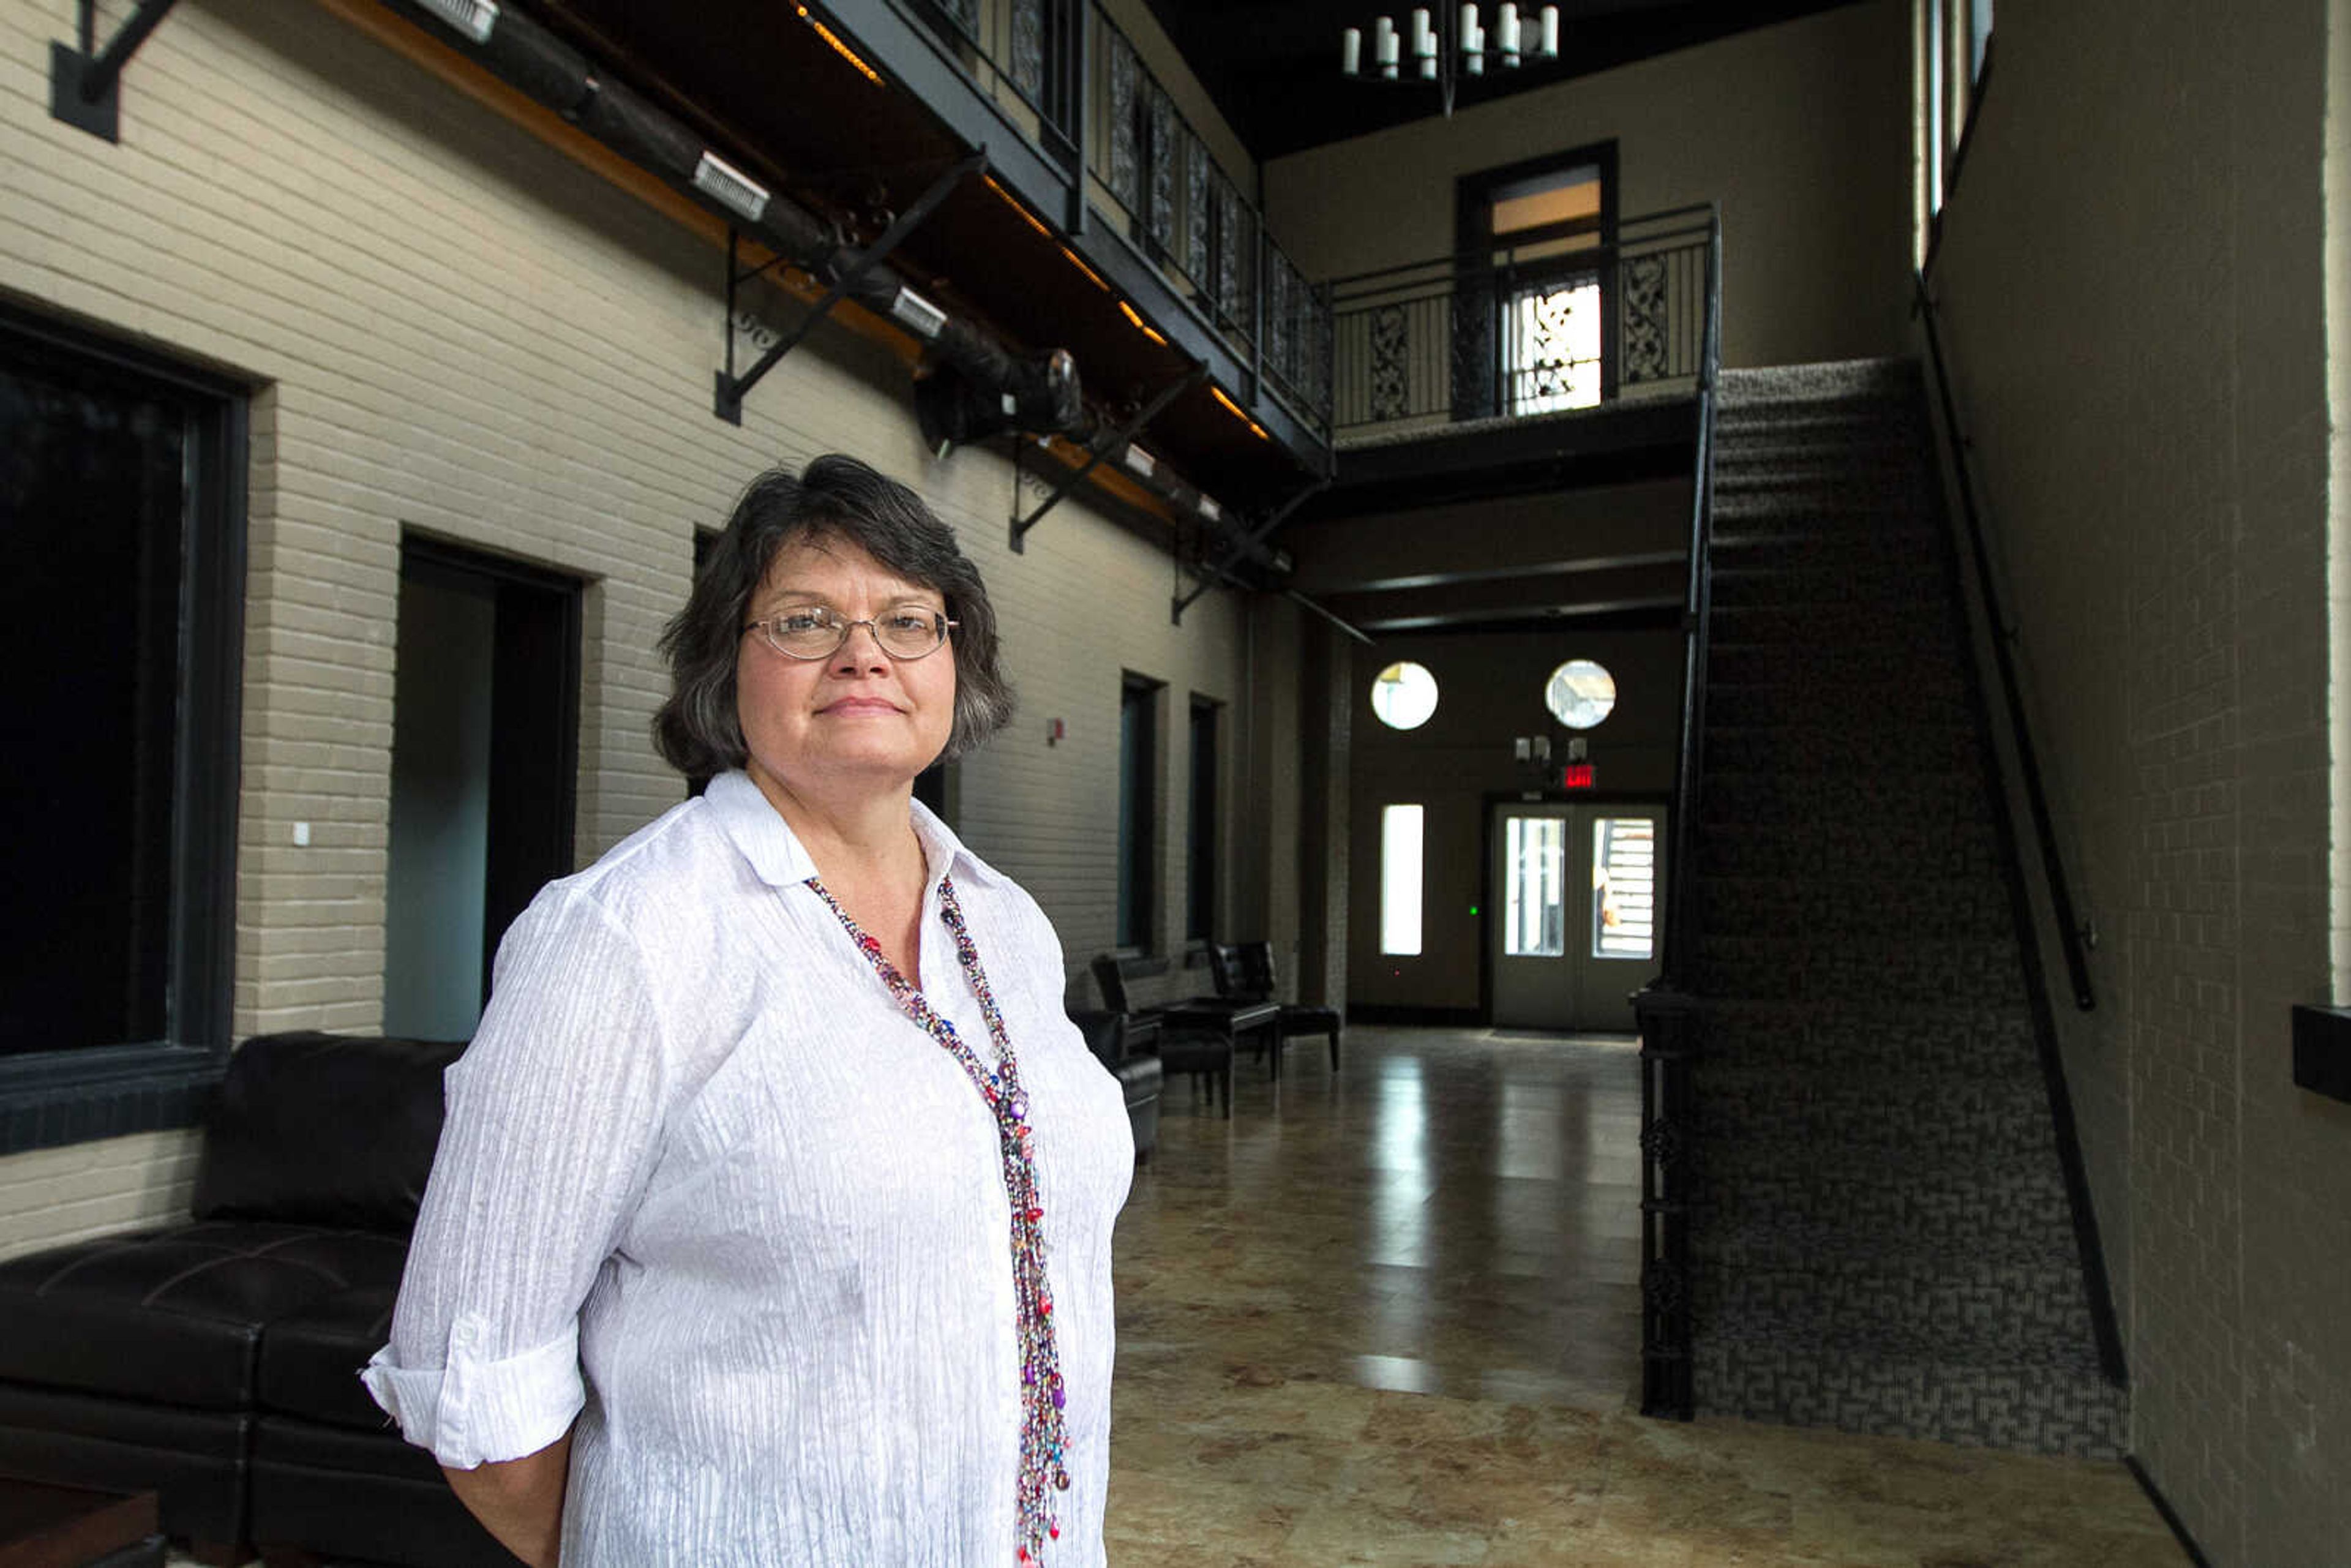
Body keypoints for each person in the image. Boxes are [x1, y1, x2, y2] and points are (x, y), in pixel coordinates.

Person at [363, 456, 1134, 1567]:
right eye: (806, 618)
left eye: (909, 618)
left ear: (956, 662)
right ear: (730, 662)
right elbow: (473, 1378)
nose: (864, 650)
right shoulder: (625, 940)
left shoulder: (1006, 924)